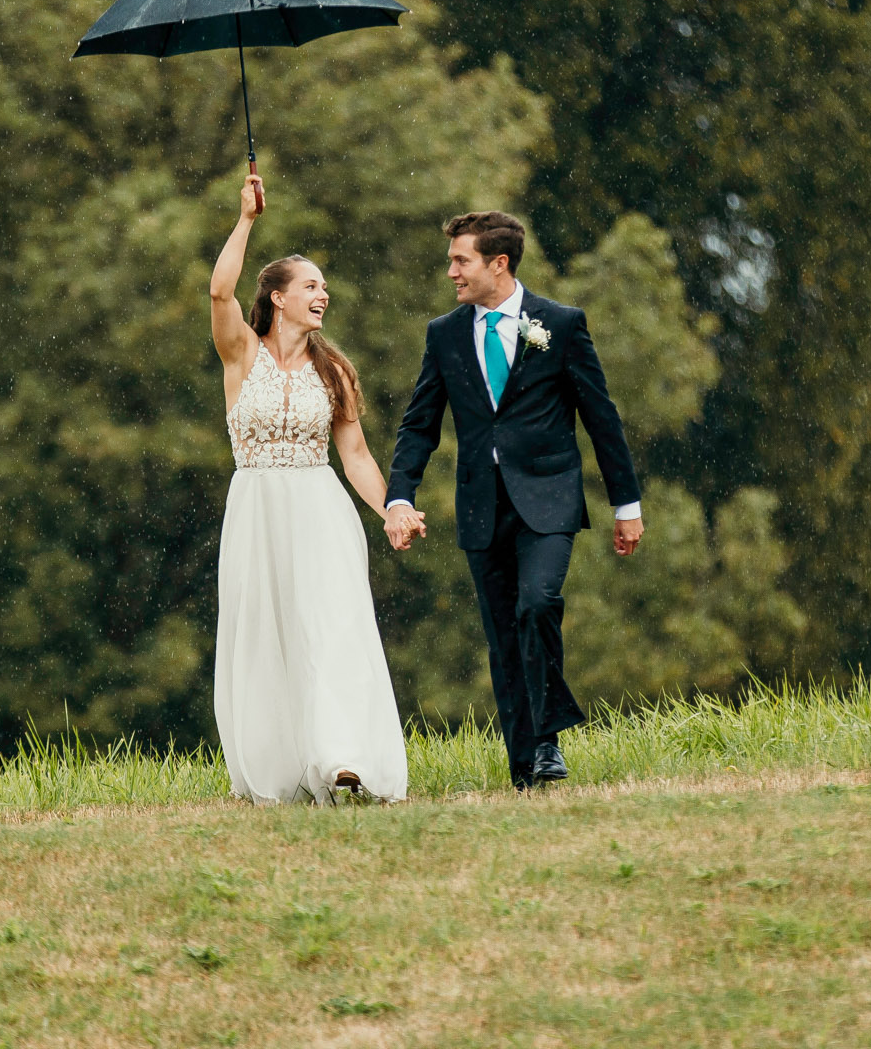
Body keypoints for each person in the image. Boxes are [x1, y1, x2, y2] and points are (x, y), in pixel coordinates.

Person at [383, 210, 643, 790]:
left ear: (498, 263)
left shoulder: (562, 324)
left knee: (537, 603)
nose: (451, 271)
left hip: (549, 499)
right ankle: (525, 767)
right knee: (503, 638)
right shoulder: (444, 334)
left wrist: (627, 507)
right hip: (480, 506)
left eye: (460, 260)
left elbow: (602, 420)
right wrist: (400, 496)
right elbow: (419, 424)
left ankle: (547, 738)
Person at [207, 169, 409, 804]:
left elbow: (355, 455)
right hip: (256, 509)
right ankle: (278, 769)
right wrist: (246, 219)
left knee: (331, 625)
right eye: (311, 285)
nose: (324, 295)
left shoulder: (335, 371)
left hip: (319, 507)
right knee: (264, 636)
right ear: (278, 297)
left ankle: (342, 757)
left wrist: (390, 509)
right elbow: (218, 293)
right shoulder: (241, 353)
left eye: (325, 286)